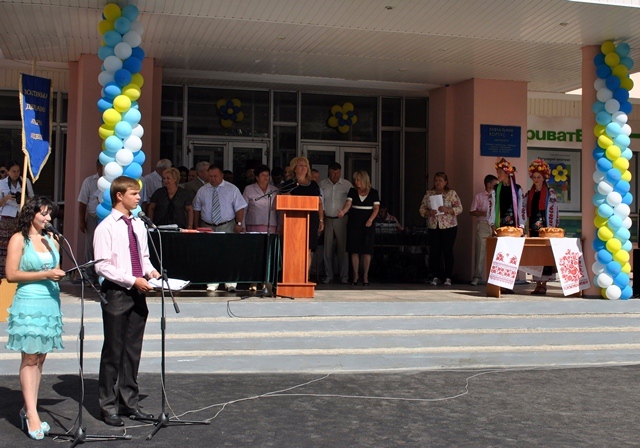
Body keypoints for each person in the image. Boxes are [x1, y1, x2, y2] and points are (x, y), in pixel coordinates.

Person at [93, 176, 160, 427]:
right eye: (133, 193)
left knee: (132, 351)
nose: (138, 197)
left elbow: (143, 257)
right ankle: (108, 405)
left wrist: (151, 272)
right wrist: (132, 280)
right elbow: (102, 266)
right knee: (114, 350)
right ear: (119, 196)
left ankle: (129, 402)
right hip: (117, 291)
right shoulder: (107, 227)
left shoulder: (138, 224)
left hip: (138, 291)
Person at [5, 197, 65, 440]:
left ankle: (27, 408)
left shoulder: (53, 239)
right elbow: (11, 274)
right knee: (30, 357)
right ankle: (32, 414)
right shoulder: (19, 239)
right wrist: (45, 274)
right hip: (29, 302)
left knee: (40, 358)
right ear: (31, 214)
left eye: (50, 214)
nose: (48, 218)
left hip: (50, 301)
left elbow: (54, 269)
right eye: (43, 213)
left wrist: (57, 274)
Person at [193, 165, 247, 292]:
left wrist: (239, 223)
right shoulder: (202, 190)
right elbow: (196, 209)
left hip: (227, 225)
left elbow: (240, 207)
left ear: (222, 175)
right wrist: (196, 226)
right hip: (208, 226)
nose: (213, 179)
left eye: (216, 176)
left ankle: (230, 282)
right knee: (211, 254)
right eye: (210, 176)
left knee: (229, 254)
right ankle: (212, 281)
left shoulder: (232, 189)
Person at [281, 157, 324, 274]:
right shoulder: (290, 184)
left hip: (311, 220)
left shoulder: (313, 184)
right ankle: (293, 274)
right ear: (294, 168)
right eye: (300, 165)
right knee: (294, 248)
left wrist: (321, 220)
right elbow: (285, 201)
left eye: (305, 165)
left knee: (308, 249)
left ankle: (305, 275)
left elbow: (319, 203)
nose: (303, 168)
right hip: (294, 220)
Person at [419, 172, 463, 286]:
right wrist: (429, 212)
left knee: (447, 251)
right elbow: (422, 209)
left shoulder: (451, 193)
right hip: (434, 226)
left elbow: (459, 208)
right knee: (435, 251)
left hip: (449, 226)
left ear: (445, 182)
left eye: (440, 180)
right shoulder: (429, 194)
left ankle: (448, 277)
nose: (438, 182)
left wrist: (448, 210)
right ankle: (436, 276)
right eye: (436, 180)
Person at [523, 158, 559, 295]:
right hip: (532, 229)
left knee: (545, 256)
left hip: (545, 229)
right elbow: (523, 209)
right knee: (535, 257)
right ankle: (537, 283)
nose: (536, 179)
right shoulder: (529, 194)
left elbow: (554, 212)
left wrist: (551, 229)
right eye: (534, 177)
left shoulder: (550, 193)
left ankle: (544, 284)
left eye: (539, 177)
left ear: (544, 177)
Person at [337, 170, 379, 286]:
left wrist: (370, 220)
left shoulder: (374, 192)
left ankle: (365, 275)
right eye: (355, 179)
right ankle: (355, 275)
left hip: (368, 224)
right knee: (354, 250)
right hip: (354, 223)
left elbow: (376, 208)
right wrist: (343, 211)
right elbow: (348, 204)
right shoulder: (352, 191)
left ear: (364, 180)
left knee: (367, 251)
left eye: (358, 180)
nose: (356, 182)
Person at [0, 160, 35, 279]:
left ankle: (20, 270)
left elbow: (33, 199)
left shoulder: (25, 181)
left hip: (21, 216)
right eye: (13, 171)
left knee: (21, 244)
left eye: (18, 171)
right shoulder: (2, 183)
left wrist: (24, 198)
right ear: (8, 171)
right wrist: (6, 199)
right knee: (5, 246)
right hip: (7, 217)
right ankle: (3, 273)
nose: (16, 174)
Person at [320, 162, 352, 284]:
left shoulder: (347, 185)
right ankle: (328, 275)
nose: (336, 175)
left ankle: (344, 276)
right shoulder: (323, 184)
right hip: (327, 218)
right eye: (334, 172)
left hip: (341, 220)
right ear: (329, 172)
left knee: (342, 248)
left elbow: (351, 201)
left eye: (338, 172)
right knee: (327, 248)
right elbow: (320, 202)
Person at [469, 174, 498, 286]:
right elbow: (472, 211)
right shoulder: (479, 196)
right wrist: (485, 213)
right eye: (495, 184)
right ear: (488, 184)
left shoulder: (498, 196)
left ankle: (495, 278)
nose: (496, 186)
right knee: (480, 251)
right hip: (483, 225)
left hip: (496, 226)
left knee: (497, 252)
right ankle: (477, 277)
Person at [77, 159, 103, 283]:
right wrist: (82, 220)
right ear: (98, 167)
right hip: (93, 217)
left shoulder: (114, 180)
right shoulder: (89, 181)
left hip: (108, 218)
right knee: (90, 247)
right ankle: (89, 277)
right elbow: (82, 202)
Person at [488, 158, 525, 235]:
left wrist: (521, 226)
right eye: (497, 172)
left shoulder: (517, 189)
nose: (498, 175)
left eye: (500, 172)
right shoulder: (495, 189)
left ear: (507, 173)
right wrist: (492, 225)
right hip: (499, 227)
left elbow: (522, 207)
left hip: (515, 227)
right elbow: (491, 207)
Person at [242, 165, 278, 233]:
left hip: (271, 225)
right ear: (257, 177)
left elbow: (278, 211)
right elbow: (243, 209)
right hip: (253, 224)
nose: (266, 177)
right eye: (263, 175)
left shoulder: (275, 190)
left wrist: (279, 228)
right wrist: (242, 226)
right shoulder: (249, 189)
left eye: (267, 175)